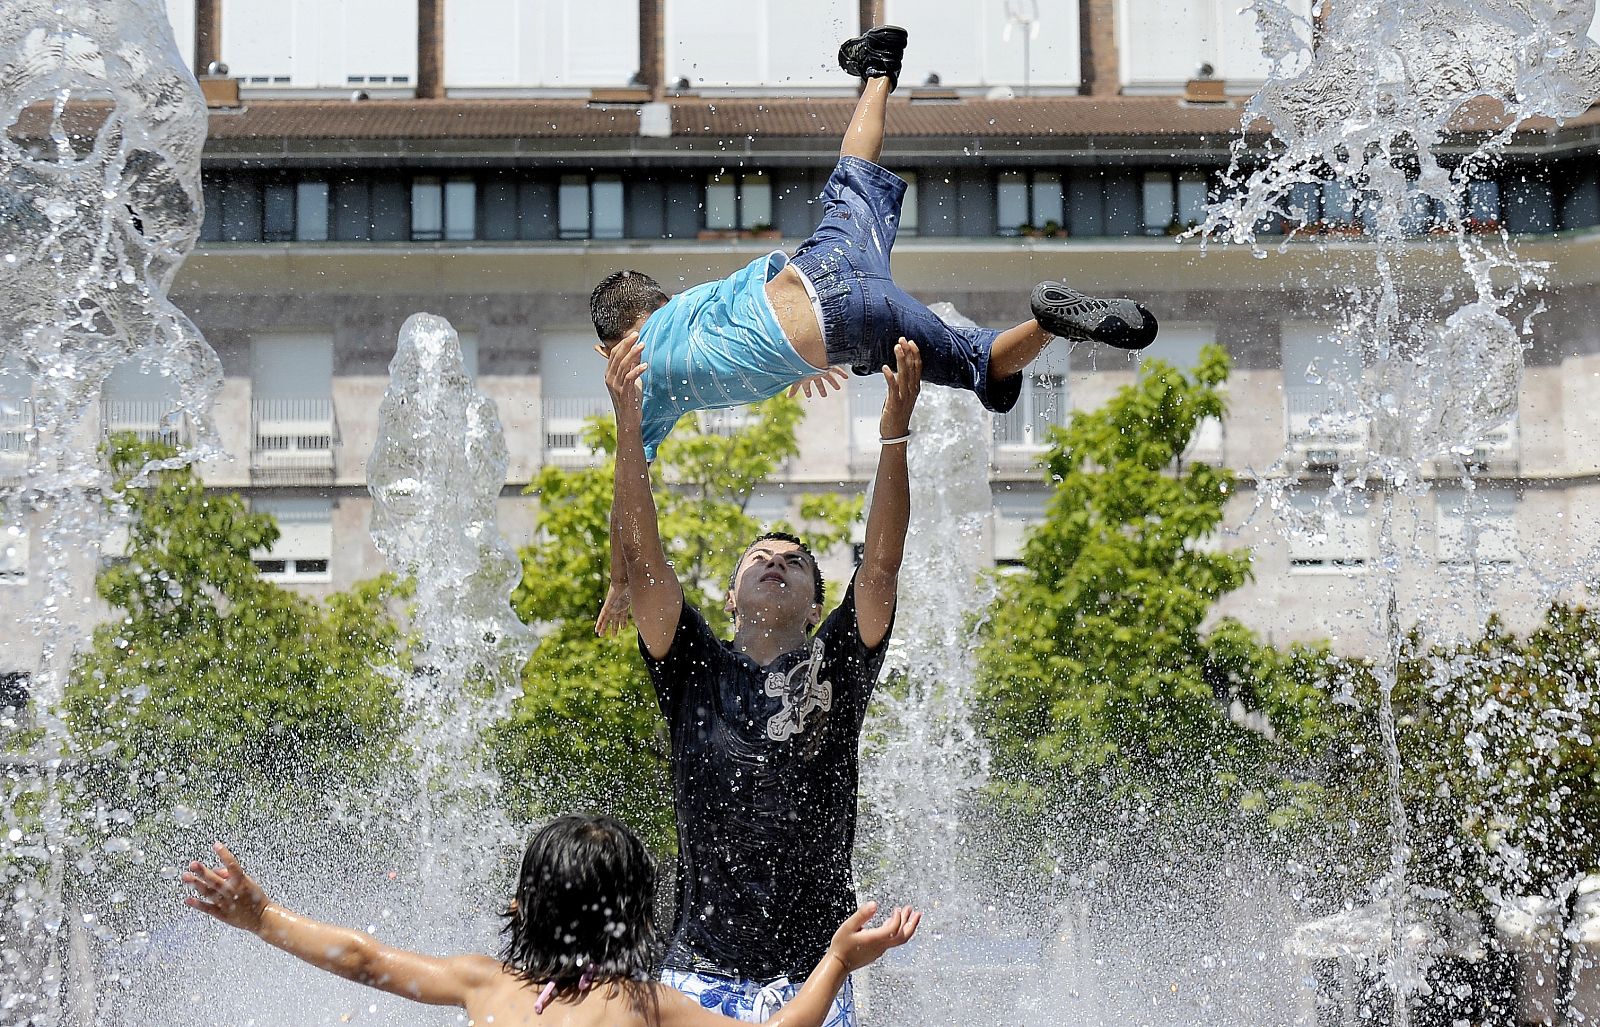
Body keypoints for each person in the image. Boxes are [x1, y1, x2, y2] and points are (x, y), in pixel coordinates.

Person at [586, 24, 1158, 466]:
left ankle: (1047, 323)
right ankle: (880, 70)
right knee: (853, 171)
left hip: (845, 326)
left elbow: (628, 489)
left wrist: (617, 580)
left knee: (973, 360)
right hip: (825, 267)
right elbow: (766, 287)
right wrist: (792, 358)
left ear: (611, 345)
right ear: (657, 303)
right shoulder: (697, 308)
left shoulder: (644, 379)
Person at [604, 313, 923, 1025]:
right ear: (729, 596)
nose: (775, 562)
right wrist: (630, 426)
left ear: (815, 604)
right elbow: (647, 561)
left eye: (795, 562)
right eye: (760, 558)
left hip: (813, 971)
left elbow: (881, 568)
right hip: (695, 969)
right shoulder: (692, 666)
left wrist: (892, 437)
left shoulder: (835, 666)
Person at [181, 814, 920, 1027]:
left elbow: (363, 957)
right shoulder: (643, 1004)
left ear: (525, 908)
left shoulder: (486, 983)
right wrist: (835, 961)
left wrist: (262, 914)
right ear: (635, 918)